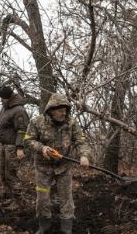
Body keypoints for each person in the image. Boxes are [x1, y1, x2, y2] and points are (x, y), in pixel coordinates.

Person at [24, 93, 90, 234]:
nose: (63, 112)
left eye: (65, 109)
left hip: (64, 167)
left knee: (66, 198)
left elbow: (80, 141)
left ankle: (67, 228)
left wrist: (84, 155)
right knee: (42, 198)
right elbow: (28, 140)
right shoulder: (37, 122)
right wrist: (42, 148)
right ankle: (44, 225)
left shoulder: (71, 123)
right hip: (43, 167)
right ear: (51, 110)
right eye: (60, 110)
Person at [0, 86, 29, 209]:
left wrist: (19, 147)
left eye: (4, 99)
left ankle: (19, 201)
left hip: (13, 147)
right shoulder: (6, 109)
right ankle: (10, 198)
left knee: (11, 174)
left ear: (9, 97)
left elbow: (22, 130)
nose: (2, 101)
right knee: (3, 173)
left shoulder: (19, 110)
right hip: (4, 145)